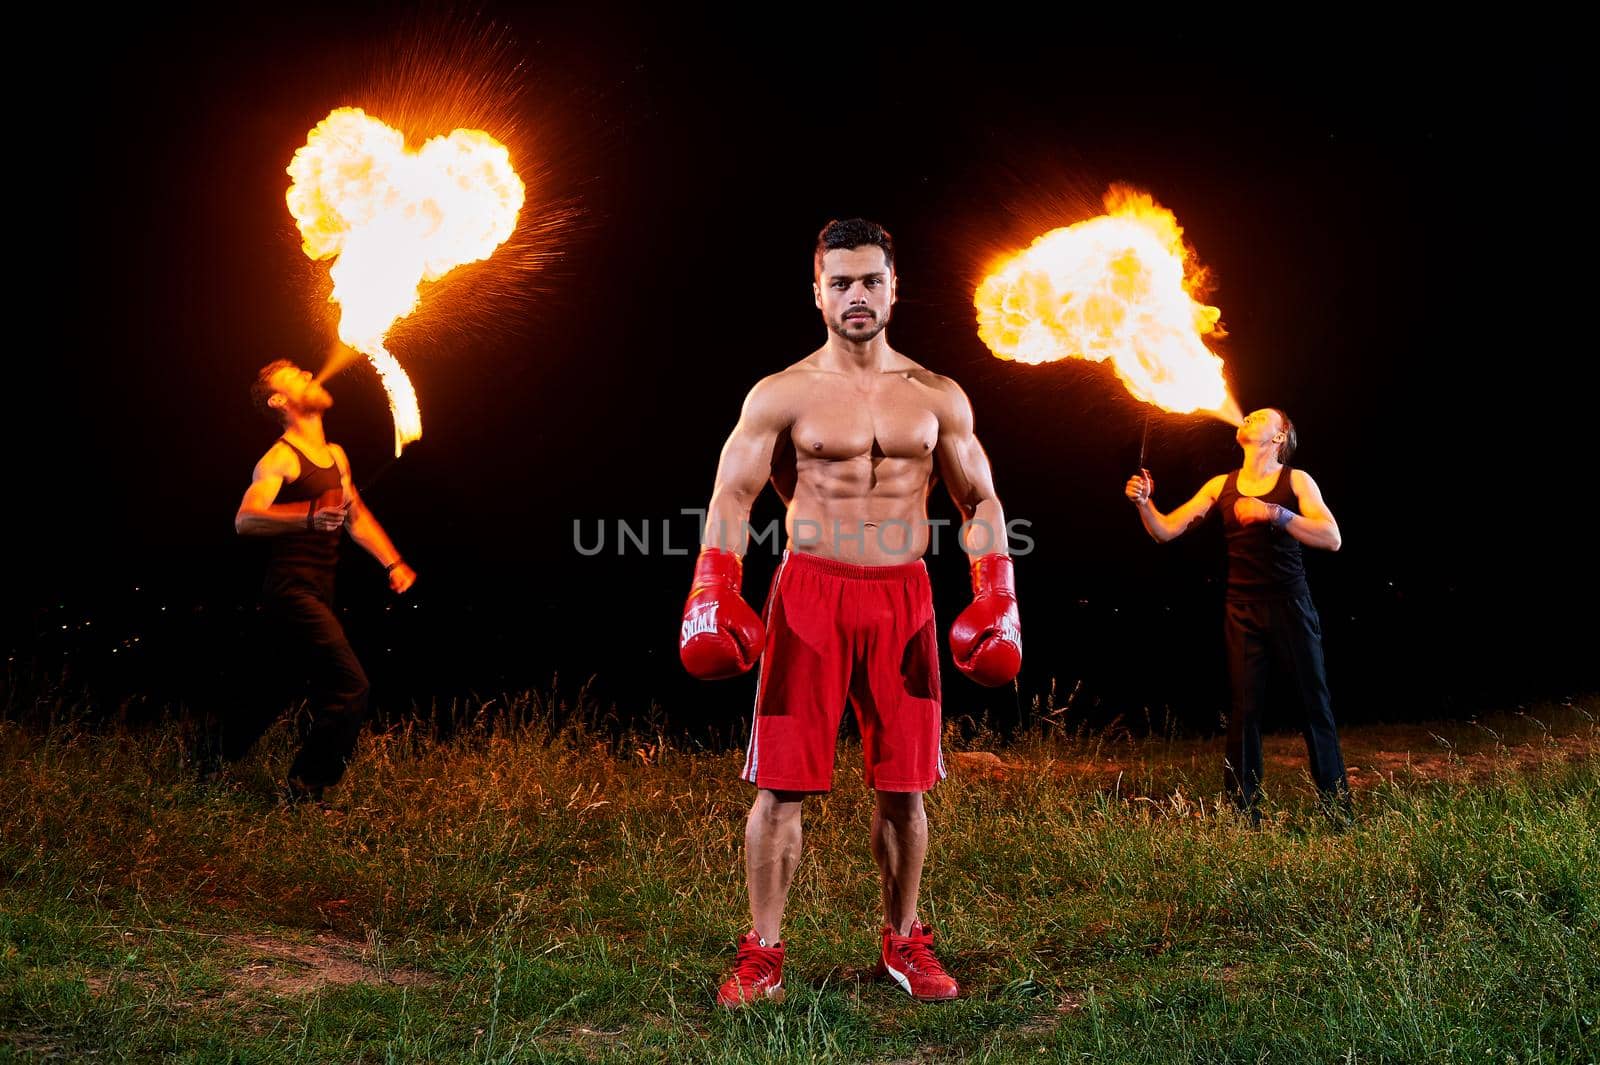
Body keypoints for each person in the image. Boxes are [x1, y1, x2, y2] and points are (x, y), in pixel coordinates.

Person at [679, 219, 1022, 1007]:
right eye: (841, 283)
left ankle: (904, 941)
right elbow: (732, 494)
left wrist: (996, 591)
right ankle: (763, 950)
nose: (857, 296)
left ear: (895, 287)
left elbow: (981, 499)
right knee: (779, 787)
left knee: (906, 788)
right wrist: (711, 586)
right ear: (818, 291)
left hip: (902, 599)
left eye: (870, 280)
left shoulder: (938, 395)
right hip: (810, 596)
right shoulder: (783, 391)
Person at [1124, 407, 1350, 823]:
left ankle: (1338, 812)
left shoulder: (1295, 480)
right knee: (1244, 711)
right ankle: (1243, 815)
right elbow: (1165, 531)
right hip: (1241, 610)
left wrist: (1275, 514)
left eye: (1262, 417)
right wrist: (1144, 503)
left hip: (1290, 606)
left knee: (1313, 705)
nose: (1249, 417)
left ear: (1280, 437)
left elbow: (1331, 537)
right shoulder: (1220, 485)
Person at [227, 359, 417, 801]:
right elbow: (245, 520)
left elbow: (356, 516)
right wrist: (307, 517)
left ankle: (210, 760)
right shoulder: (279, 458)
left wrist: (393, 563)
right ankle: (306, 786)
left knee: (276, 689)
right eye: (293, 375)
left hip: (322, 591)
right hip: (290, 591)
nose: (309, 374)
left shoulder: (335, 455)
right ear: (278, 400)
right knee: (351, 686)